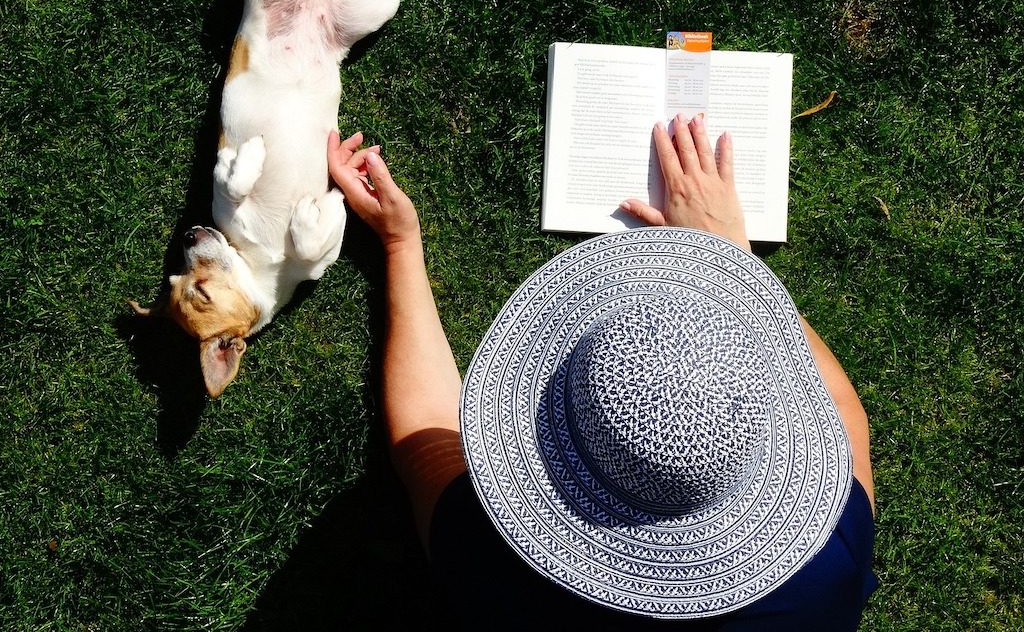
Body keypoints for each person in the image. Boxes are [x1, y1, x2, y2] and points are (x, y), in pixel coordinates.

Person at [327, 114, 876, 630]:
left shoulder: (493, 575)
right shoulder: (827, 575)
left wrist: (400, 243)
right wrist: (732, 262)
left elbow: (426, 443)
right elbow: (846, 422)